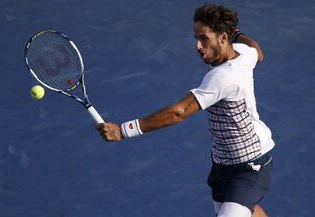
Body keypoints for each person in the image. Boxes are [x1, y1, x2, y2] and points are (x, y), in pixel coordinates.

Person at [96, 3, 275, 217]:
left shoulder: (222, 77)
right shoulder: (243, 54)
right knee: (246, 211)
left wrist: (123, 130)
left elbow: (179, 112)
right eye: (196, 39)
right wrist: (238, 33)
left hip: (251, 164)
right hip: (223, 163)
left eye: (204, 38)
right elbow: (257, 51)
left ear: (223, 39)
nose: (198, 46)